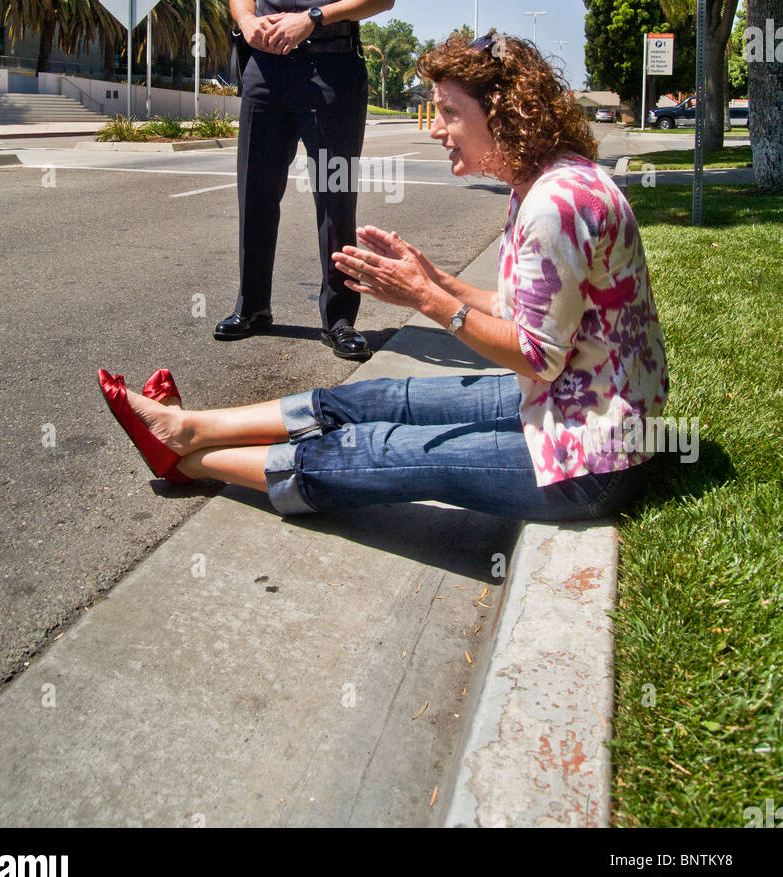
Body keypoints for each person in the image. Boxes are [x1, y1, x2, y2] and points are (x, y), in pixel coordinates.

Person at [100, 33, 669, 523]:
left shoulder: (554, 205)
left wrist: (426, 300)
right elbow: (519, 307)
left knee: (378, 449)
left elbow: (537, 355)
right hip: (570, 407)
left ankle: (184, 455)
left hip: (592, 462)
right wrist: (436, 278)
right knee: (379, 398)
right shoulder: (547, 181)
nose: (436, 129)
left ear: (499, 112)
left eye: (449, 112)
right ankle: (190, 427)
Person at [214, 0, 398, 360]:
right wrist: (247, 24)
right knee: (255, 191)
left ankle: (339, 320)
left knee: (333, 197)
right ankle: (253, 306)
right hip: (266, 74)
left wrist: (312, 18)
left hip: (331, 72)